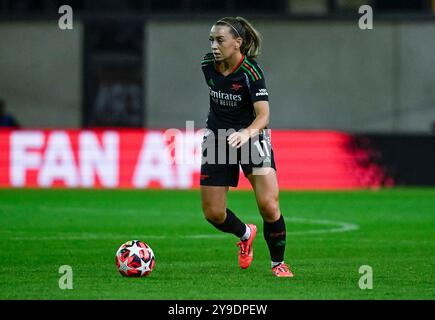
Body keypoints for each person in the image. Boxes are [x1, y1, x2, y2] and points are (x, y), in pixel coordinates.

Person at [200, 16, 293, 277]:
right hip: (218, 140)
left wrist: (245, 133)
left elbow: (263, 115)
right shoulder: (208, 65)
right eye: (211, 40)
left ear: (237, 42)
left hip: (252, 137)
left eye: (220, 40)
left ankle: (278, 263)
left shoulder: (251, 72)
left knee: (269, 205)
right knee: (213, 213)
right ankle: (245, 234)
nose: (214, 46)